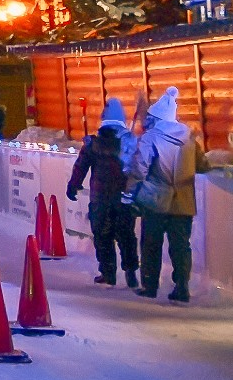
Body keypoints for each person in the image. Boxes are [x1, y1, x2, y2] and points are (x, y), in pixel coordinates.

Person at [128, 85, 209, 304]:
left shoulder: (150, 138)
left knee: (151, 243)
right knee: (181, 245)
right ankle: (182, 287)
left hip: (155, 200)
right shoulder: (189, 138)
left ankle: (150, 285)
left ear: (156, 118)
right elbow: (202, 165)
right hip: (183, 201)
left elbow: (139, 169)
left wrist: (129, 190)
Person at [67, 97, 139, 289]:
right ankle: (131, 272)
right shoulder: (130, 144)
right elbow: (139, 169)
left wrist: (73, 185)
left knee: (102, 235)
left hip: (100, 198)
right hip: (124, 198)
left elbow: (80, 167)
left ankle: (108, 273)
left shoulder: (93, 144)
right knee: (126, 236)